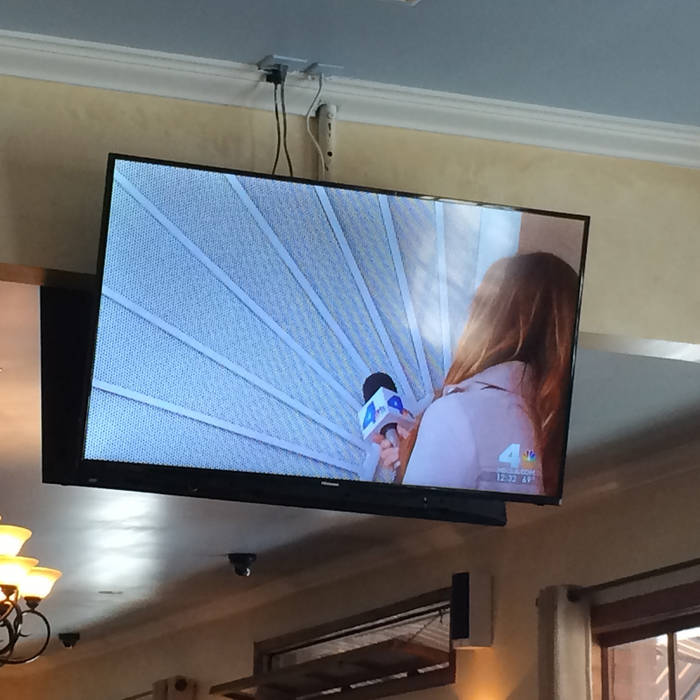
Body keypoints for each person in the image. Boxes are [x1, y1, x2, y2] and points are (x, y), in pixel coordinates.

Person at [373, 252, 579, 497]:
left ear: (491, 323)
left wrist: (412, 467)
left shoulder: (456, 415)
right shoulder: (554, 427)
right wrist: (410, 456)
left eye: (477, 306)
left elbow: (410, 517)